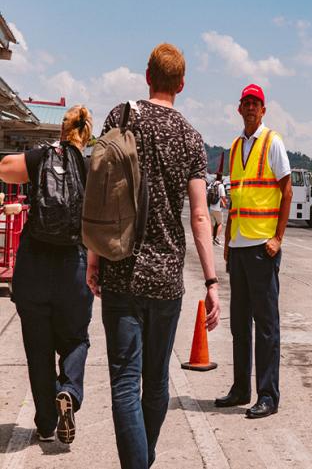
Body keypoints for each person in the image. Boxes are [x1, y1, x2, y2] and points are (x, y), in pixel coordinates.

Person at [86, 43, 220, 469]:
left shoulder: (120, 118)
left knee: (125, 383)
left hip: (121, 267)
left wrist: (93, 257)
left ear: (147, 76)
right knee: (156, 382)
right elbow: (200, 214)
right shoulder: (191, 137)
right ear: (181, 84)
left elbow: (102, 194)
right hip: (166, 278)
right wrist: (212, 282)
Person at [0, 105, 93, 444]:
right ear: (86, 134)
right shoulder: (88, 165)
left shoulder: (43, 157)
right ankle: (68, 389)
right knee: (76, 339)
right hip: (74, 266)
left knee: (38, 350)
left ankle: (45, 423)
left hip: (34, 267)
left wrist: (38, 158)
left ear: (61, 131)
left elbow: (5, 169)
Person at [214, 83, 292, 419]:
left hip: (262, 247)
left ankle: (267, 395)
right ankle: (240, 389)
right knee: (239, 325)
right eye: (245, 102)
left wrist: (278, 238)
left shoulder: (272, 142)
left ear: (263, 110)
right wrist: (229, 241)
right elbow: (236, 199)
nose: (249, 108)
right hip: (240, 245)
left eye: (255, 103)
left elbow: (286, 192)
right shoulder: (234, 146)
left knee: (265, 325)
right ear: (238, 108)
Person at [208, 175, 226, 245]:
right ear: (221, 179)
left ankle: (210, 238)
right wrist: (225, 202)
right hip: (218, 208)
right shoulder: (221, 185)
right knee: (220, 223)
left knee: (212, 224)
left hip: (211, 206)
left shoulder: (211, 184)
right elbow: (223, 196)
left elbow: (207, 192)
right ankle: (217, 238)